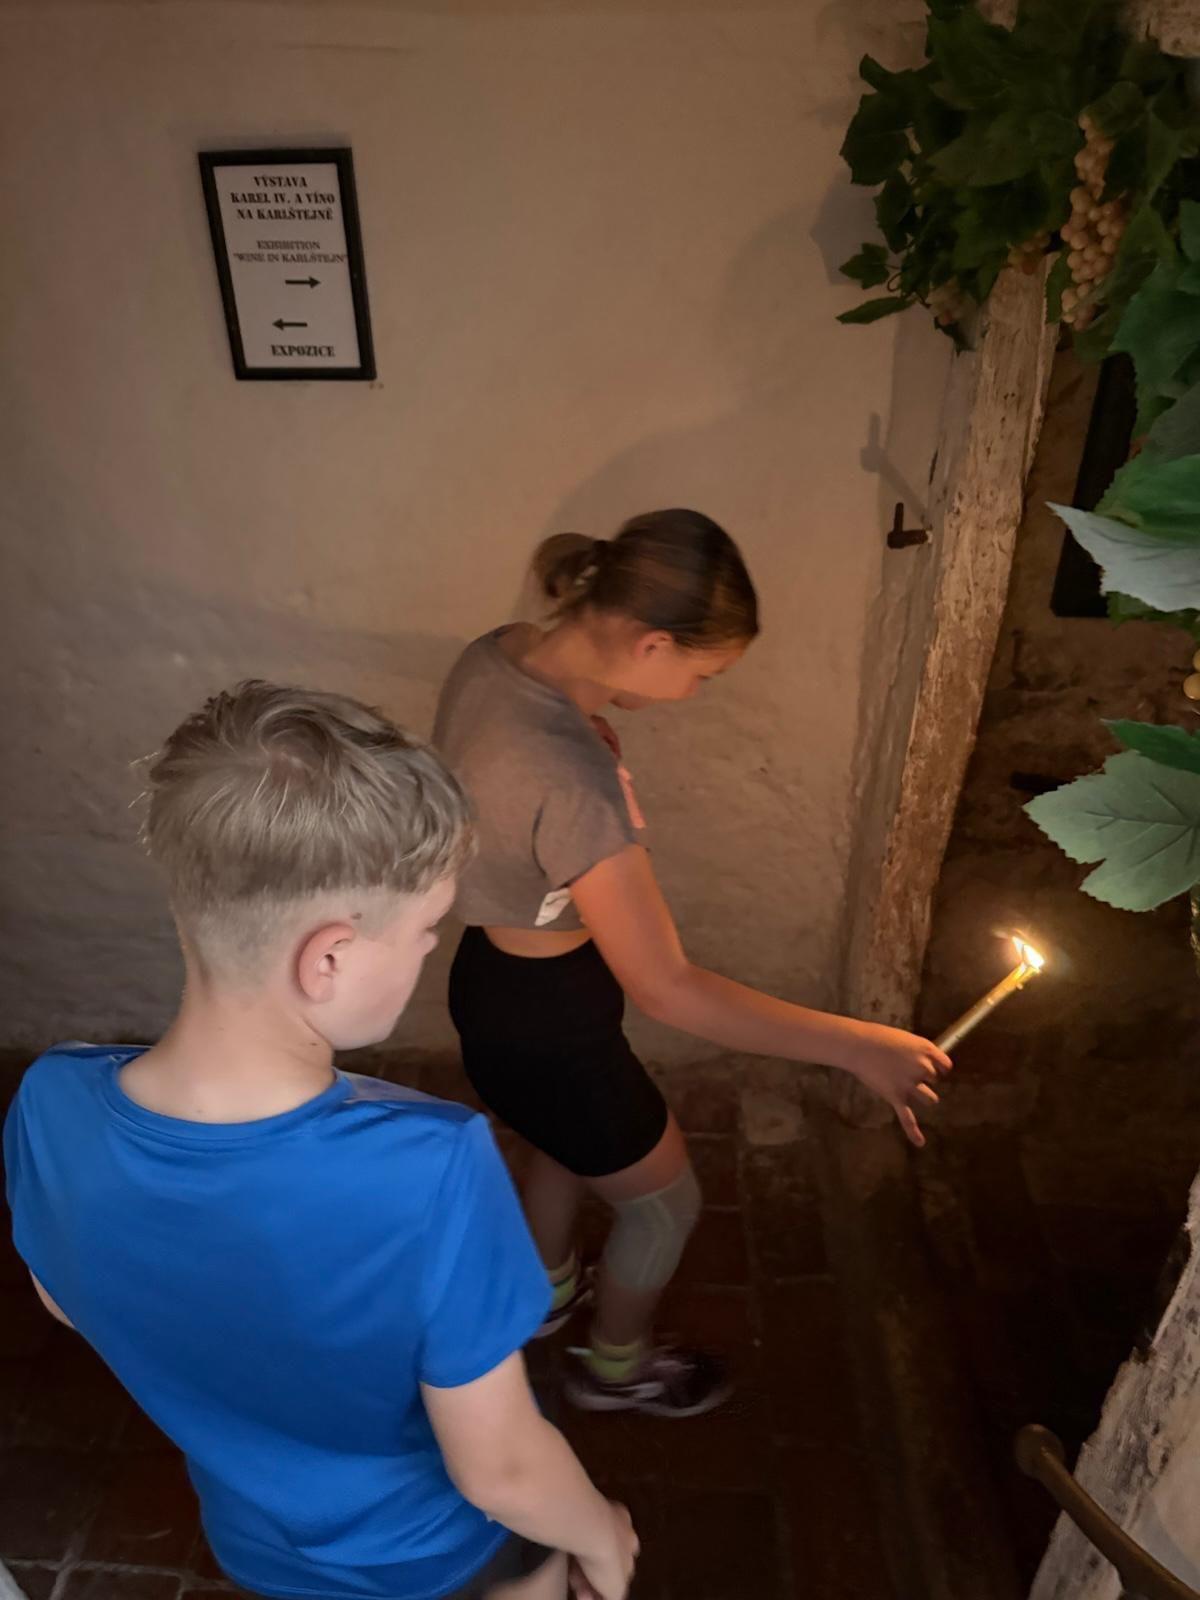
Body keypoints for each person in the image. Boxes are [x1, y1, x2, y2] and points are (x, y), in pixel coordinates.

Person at [4, 683, 638, 1600]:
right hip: (443, 1558)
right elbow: (501, 1470)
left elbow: (68, 1301)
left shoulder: (50, 1100)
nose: (429, 950)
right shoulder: (433, 1167)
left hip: (257, 1544)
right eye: (426, 929)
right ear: (328, 958)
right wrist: (603, 1537)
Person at [434, 509, 952, 1419]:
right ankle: (613, 1369)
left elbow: (506, 773)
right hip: (555, 1026)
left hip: (493, 981)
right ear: (652, 645)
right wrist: (856, 1046)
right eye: (702, 674)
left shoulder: (497, 655)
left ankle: (544, 1293)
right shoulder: (573, 780)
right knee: (664, 1204)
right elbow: (668, 987)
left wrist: (586, 728)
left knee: (560, 1143)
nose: (696, 691)